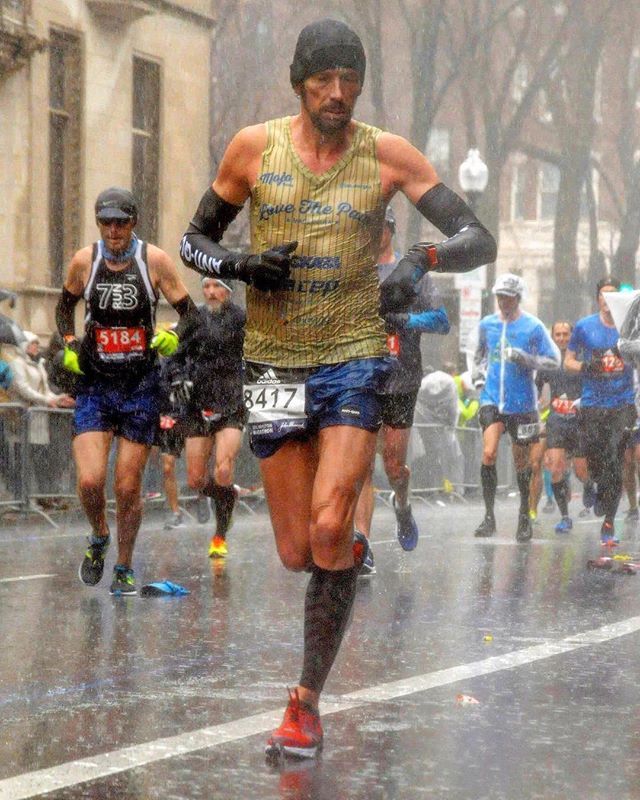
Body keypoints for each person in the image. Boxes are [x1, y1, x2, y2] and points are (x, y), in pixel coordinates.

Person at [179, 17, 495, 760]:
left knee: (329, 528)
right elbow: (195, 238)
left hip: (353, 358)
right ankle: (340, 573)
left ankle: (305, 701)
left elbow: (478, 236)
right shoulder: (255, 149)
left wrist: (423, 258)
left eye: (349, 79)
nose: (338, 93)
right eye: (323, 79)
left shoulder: (387, 154)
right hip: (275, 365)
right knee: (296, 551)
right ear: (299, 83)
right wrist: (241, 266)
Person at [55, 187, 199, 595]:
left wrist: (173, 337)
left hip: (140, 387)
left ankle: (124, 564)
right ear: (98, 223)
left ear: (134, 221)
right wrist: (69, 344)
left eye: (121, 222)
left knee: (126, 487)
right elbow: (64, 307)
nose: (114, 230)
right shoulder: (86, 261)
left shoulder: (153, 261)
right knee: (89, 481)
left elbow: (192, 316)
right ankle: (100, 535)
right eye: (106, 222)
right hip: (97, 385)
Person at [353, 206, 450, 569]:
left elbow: (442, 321)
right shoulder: (356, 273)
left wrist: (404, 320)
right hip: (362, 377)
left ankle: (402, 503)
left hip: (402, 377)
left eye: (377, 227)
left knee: (393, 466)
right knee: (362, 466)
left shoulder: (412, 274)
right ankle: (361, 544)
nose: (371, 234)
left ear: (390, 230)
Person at [472, 273, 560, 542]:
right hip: (492, 399)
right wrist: (477, 379)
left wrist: (527, 360)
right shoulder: (487, 324)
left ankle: (524, 514)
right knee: (488, 453)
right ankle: (489, 516)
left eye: (507, 298)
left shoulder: (533, 327)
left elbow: (554, 360)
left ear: (517, 298)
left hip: (522, 403)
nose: (502, 302)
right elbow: (478, 355)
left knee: (523, 464)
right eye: (499, 297)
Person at [169, 276, 247, 558]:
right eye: (206, 287)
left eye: (217, 287)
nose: (211, 292)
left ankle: (219, 536)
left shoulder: (240, 319)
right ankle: (228, 496)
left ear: (227, 290)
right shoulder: (193, 318)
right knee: (196, 480)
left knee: (223, 470)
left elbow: (256, 355)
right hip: (197, 401)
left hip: (230, 401)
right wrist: (177, 378)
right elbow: (173, 354)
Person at [565, 277, 636, 545]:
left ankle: (608, 522)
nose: (609, 301)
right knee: (593, 462)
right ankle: (591, 484)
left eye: (614, 296)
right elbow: (568, 360)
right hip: (593, 403)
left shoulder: (630, 327)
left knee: (617, 461)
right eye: (604, 296)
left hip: (622, 403)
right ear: (598, 299)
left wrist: (628, 352)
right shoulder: (584, 327)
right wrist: (587, 366)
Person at [535, 321, 590, 533]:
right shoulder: (548, 360)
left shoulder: (581, 357)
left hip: (578, 419)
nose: (561, 338)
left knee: (580, 470)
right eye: (557, 334)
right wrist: (536, 404)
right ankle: (565, 516)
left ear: (572, 336)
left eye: (565, 334)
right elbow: (538, 385)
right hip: (557, 419)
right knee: (556, 467)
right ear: (552, 336)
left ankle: (588, 485)